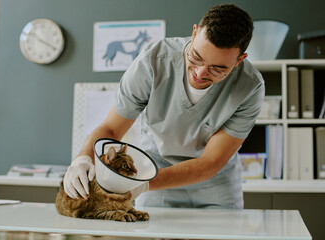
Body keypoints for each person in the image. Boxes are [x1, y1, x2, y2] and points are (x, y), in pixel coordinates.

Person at [64, 3, 265, 209]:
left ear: (240, 60)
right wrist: (83, 159)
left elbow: (210, 162)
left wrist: (140, 185)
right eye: (196, 57)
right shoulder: (153, 61)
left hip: (214, 184)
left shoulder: (249, 86)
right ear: (194, 33)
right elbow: (112, 128)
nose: (200, 73)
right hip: (154, 172)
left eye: (217, 69)